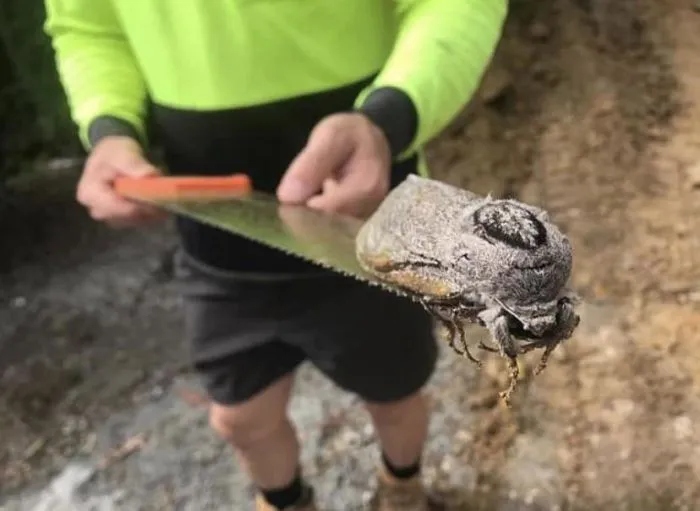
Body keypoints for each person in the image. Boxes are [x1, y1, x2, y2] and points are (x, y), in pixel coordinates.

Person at [43, 1, 506, 510]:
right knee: (241, 420)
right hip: (217, 249)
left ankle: (403, 490)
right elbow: (88, 27)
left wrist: (387, 120)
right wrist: (109, 130)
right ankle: (286, 502)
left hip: (367, 239)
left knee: (396, 395)